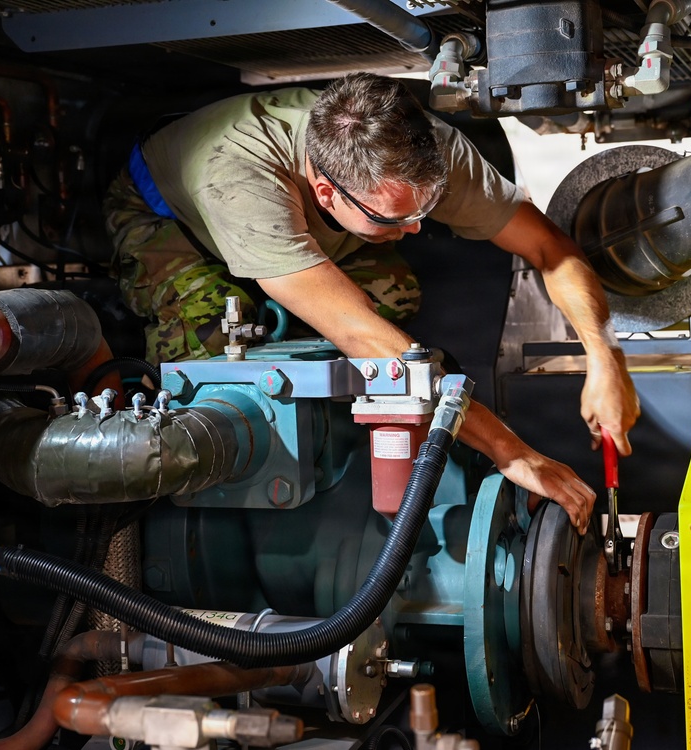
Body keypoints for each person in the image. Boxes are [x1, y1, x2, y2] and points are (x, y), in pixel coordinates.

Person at [103, 72, 640, 531]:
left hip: (301, 230)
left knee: (393, 291)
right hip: (173, 225)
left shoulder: (425, 150)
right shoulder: (240, 175)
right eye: (392, 220)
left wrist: (605, 358)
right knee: (206, 355)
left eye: (424, 210)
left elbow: (548, 247)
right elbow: (369, 340)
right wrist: (511, 451)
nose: (414, 230)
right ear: (326, 194)